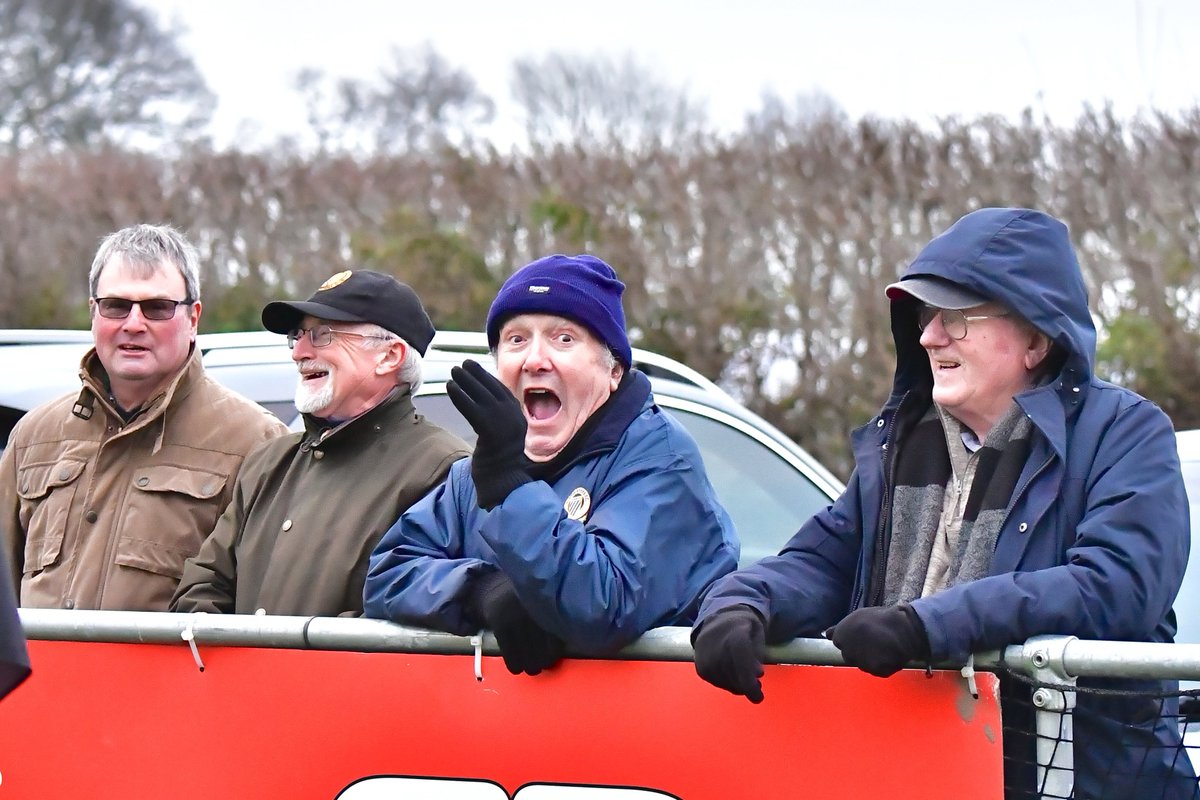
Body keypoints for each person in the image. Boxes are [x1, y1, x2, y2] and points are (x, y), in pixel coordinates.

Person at [690, 207, 1196, 798]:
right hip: (918, 774)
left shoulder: (1127, 433)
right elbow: (823, 560)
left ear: (1035, 339)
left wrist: (927, 627)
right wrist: (736, 605)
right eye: (928, 316)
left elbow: (1115, 586)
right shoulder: (902, 445)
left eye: (957, 316)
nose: (930, 335)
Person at [364, 254, 739, 675]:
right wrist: (479, 589)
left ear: (613, 368)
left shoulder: (660, 458)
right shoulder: (478, 471)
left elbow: (604, 602)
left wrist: (512, 492)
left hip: (637, 731)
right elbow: (387, 572)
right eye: (517, 339)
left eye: (564, 339)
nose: (534, 360)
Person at [0, 224, 287, 611]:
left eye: (157, 307)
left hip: (179, 674)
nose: (133, 323)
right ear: (93, 313)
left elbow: (265, 607)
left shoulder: (257, 442)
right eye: (116, 305)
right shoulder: (34, 436)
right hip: (44, 673)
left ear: (193, 318)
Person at [171, 270, 471, 617]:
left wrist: (293, 661)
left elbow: (410, 620)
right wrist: (228, 657)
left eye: (322, 334)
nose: (299, 351)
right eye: (297, 335)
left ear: (389, 357)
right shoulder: (269, 462)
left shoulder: (444, 470)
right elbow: (202, 585)